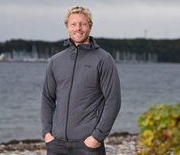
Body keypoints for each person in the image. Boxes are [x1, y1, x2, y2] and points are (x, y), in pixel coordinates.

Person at [41, 5, 121, 155]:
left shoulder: (104, 59)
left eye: (83, 24)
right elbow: (47, 98)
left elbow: (113, 101)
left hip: (88, 145)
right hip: (56, 144)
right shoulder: (56, 61)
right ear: (67, 27)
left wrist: (96, 137)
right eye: (73, 24)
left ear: (90, 27)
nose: (78, 28)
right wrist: (47, 133)